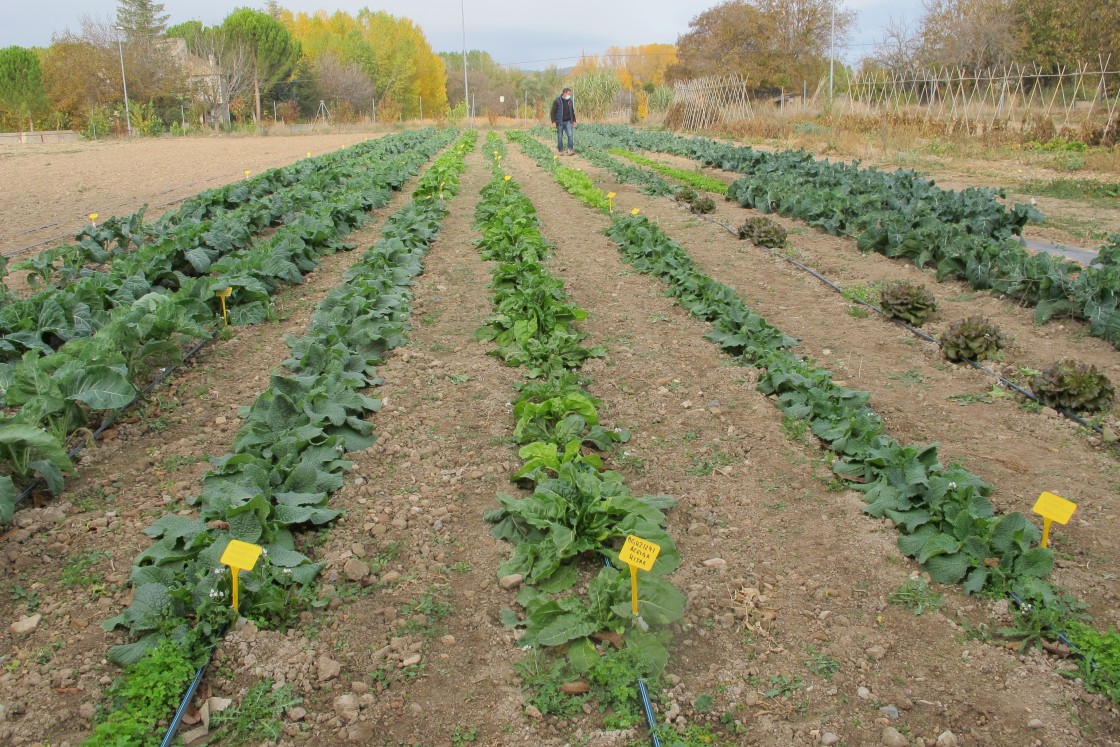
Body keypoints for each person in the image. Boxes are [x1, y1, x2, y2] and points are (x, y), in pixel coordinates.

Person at [550, 87, 576, 155]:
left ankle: (570, 149)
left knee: (570, 135)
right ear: (564, 93)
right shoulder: (557, 101)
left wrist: (574, 121)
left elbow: (572, 112)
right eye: (568, 94)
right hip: (560, 122)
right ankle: (560, 150)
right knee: (560, 136)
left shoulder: (570, 101)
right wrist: (553, 121)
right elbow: (553, 112)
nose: (569, 95)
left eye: (570, 94)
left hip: (568, 121)